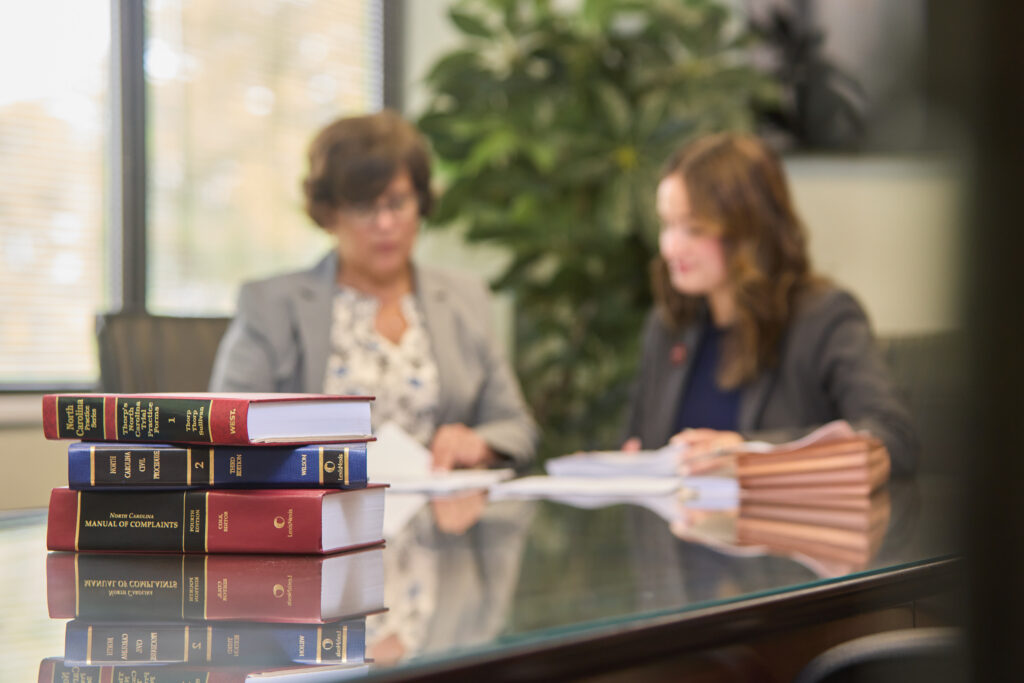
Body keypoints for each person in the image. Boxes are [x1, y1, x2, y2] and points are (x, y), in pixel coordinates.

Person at [209, 109, 536, 468]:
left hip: (441, 514)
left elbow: (516, 427)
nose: (385, 223)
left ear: (420, 203)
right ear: (329, 213)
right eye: (364, 206)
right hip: (318, 514)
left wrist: (479, 444)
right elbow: (225, 430)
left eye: (397, 203)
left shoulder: (465, 297)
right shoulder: (270, 305)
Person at [621, 133, 918, 476]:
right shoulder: (670, 325)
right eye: (667, 225)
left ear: (749, 232)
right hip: (680, 527)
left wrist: (753, 456)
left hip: (784, 527)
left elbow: (893, 438)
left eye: (693, 229)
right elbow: (639, 442)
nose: (670, 248)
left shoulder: (824, 318)